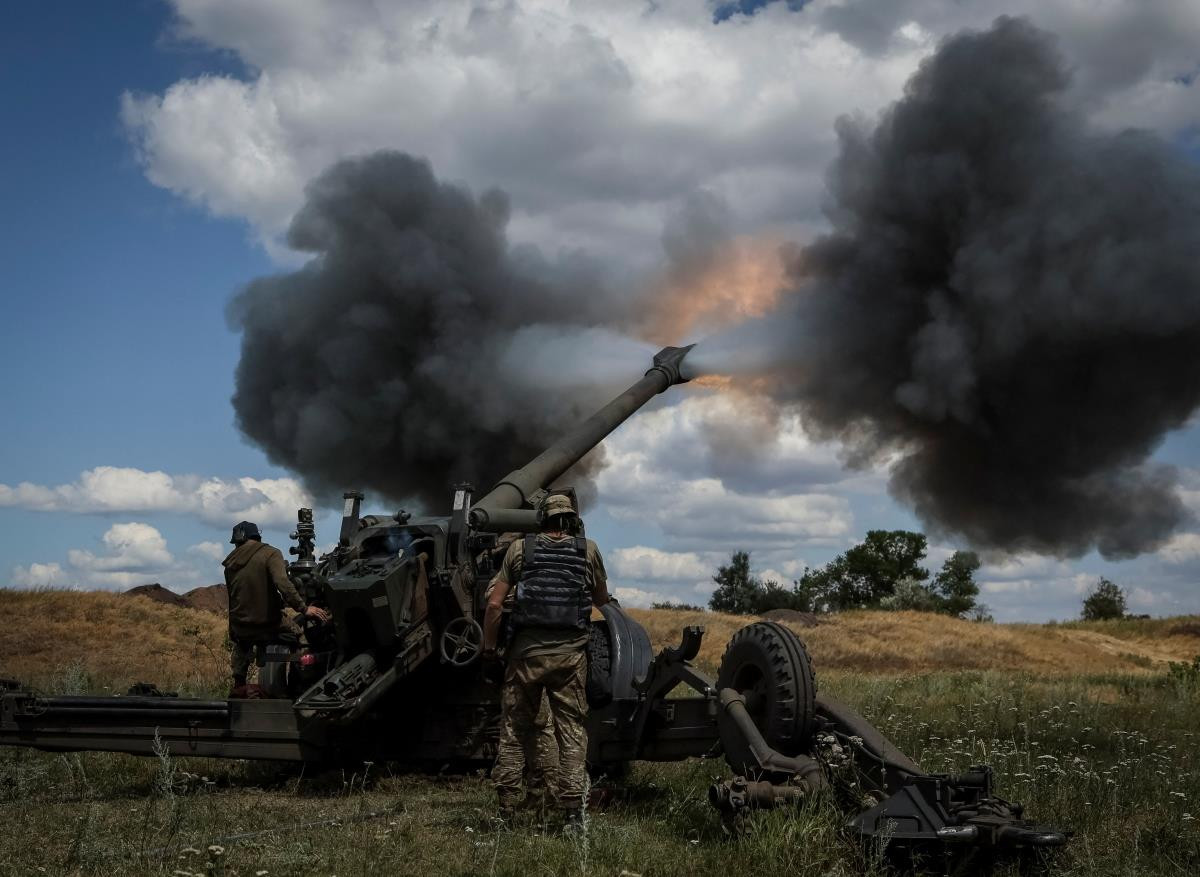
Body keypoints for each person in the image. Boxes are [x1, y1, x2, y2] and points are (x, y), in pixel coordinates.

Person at [482, 494, 610, 828]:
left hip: (524, 658)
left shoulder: (521, 549)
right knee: (571, 734)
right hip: (570, 659)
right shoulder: (589, 550)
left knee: (512, 733)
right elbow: (601, 599)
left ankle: (507, 813)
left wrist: (489, 647)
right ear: (571, 520)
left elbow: (495, 606)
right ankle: (570, 814)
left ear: (541, 518)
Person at [223, 520, 329, 694]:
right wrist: (304, 609)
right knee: (301, 636)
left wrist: (233, 630)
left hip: (241, 625)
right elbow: (283, 584)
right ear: (256, 536)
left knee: (242, 644)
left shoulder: (229, 564)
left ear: (238, 542)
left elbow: (232, 599)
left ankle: (239, 684)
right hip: (268, 622)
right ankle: (304, 684)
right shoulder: (270, 554)